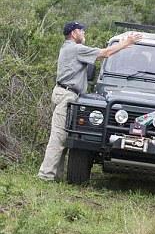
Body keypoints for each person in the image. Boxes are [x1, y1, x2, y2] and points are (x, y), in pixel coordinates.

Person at [37, 21, 142, 181]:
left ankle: (55, 175)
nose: (84, 33)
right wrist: (126, 43)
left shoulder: (69, 48)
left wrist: (122, 46)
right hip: (67, 95)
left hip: (67, 94)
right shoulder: (76, 49)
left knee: (64, 137)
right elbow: (105, 53)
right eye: (81, 30)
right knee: (58, 138)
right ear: (73, 33)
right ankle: (45, 176)